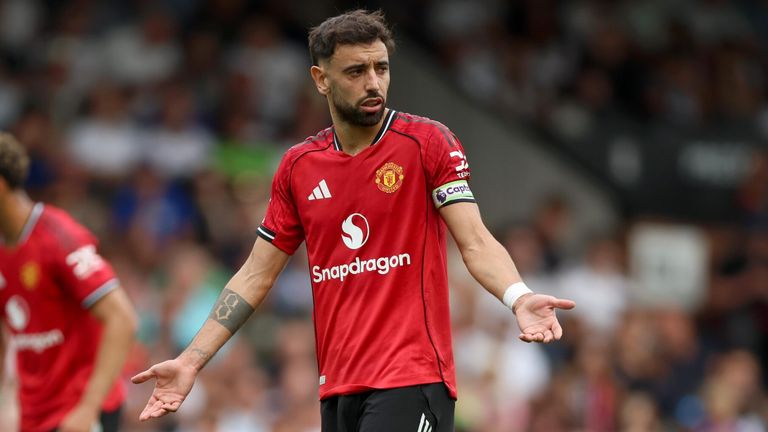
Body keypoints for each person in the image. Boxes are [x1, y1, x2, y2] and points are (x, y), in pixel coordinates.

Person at [132, 9, 575, 431]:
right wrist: (190, 361)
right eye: (355, 72)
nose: (373, 82)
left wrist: (517, 297)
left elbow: (475, 241)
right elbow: (254, 275)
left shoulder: (427, 143)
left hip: (412, 378)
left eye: (380, 68)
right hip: (338, 387)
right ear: (320, 79)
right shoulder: (298, 167)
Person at [0, 132, 138, 432]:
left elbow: (122, 318)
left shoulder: (58, 237)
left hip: (78, 413)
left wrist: (87, 410)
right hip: (33, 415)